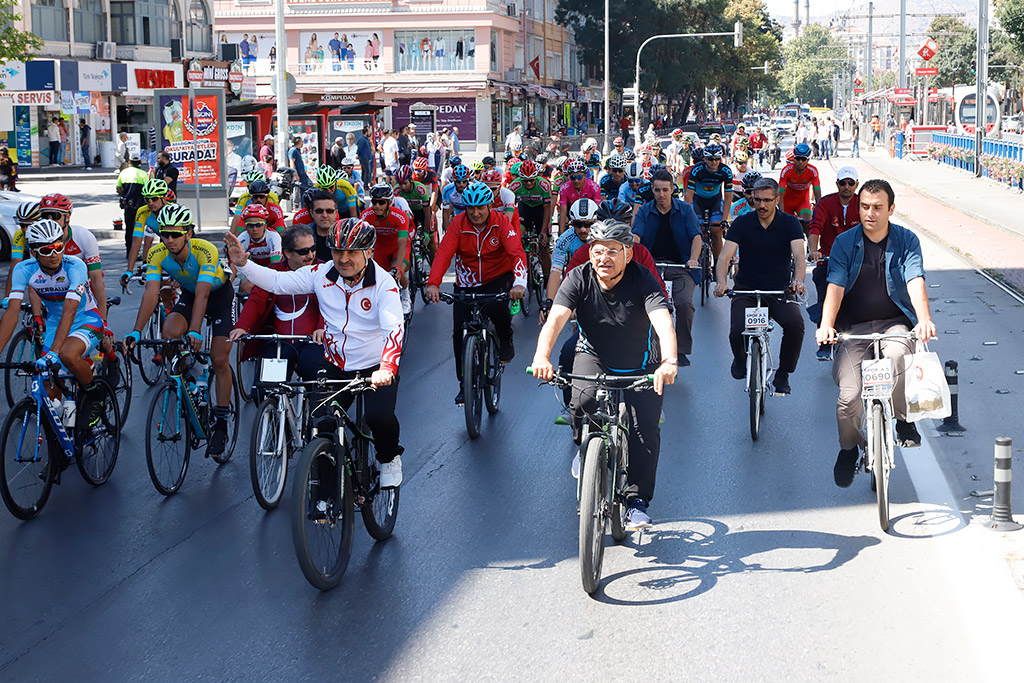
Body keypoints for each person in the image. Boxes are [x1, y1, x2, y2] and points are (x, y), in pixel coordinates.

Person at [225, 218, 405, 487]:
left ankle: (389, 457)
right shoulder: (321, 274)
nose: (343, 259)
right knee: (320, 426)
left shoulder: (383, 284)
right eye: (337, 251)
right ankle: (325, 495)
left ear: (368, 252)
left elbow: (394, 328)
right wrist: (244, 264)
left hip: (374, 366)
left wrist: (387, 367)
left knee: (377, 417)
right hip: (335, 365)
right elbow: (277, 281)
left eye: (352, 252)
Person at [531, 219, 677, 528]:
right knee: (581, 403)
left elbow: (663, 321)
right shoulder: (578, 277)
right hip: (594, 355)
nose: (603, 258)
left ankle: (636, 501)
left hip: (641, 363)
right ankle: (589, 449)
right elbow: (556, 320)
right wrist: (542, 356)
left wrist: (669, 361)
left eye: (612, 251)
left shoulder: (643, 279)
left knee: (644, 430)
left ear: (628, 253)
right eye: (597, 251)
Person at [815, 179, 936, 487]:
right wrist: (827, 325)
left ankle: (904, 420)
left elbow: (914, 281)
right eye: (865, 207)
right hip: (852, 329)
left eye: (878, 207)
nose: (870, 213)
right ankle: (848, 449)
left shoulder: (907, 241)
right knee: (849, 396)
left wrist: (923, 320)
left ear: (891, 209)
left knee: (898, 360)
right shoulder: (844, 242)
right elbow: (836, 286)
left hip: (894, 323)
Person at [122, 205, 234, 456]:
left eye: (175, 234)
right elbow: (151, 293)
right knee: (169, 333)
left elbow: (204, 294)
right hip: (192, 295)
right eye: (164, 234)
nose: (169, 239)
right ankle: (189, 385)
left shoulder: (206, 250)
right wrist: (136, 331)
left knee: (219, 358)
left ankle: (223, 424)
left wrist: (195, 331)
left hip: (219, 297)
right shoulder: (157, 252)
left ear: (189, 234)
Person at [425, 181, 527, 404]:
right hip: (467, 282)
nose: (475, 213)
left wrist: (519, 284)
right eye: (470, 208)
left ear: (490, 205)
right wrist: (433, 283)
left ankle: (505, 337)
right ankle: (464, 385)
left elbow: (517, 253)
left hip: (497, 277)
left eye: (480, 207)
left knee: (499, 308)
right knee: (457, 334)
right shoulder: (458, 223)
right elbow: (443, 253)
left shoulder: (501, 222)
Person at [0, 220, 107, 423]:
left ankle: (95, 396)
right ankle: (65, 433)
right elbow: (12, 314)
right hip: (56, 324)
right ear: (33, 252)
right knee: (49, 398)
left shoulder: (75, 266)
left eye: (58, 246)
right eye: (47, 250)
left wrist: (54, 352)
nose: (55, 254)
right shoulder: (24, 270)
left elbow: (70, 309)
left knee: (66, 355)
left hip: (85, 319)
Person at [714, 178, 806, 396]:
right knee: (737, 332)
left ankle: (783, 372)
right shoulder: (742, 223)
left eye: (767, 200)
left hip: (779, 290)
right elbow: (724, 257)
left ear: (777, 199)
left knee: (795, 325)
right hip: (746, 289)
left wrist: (799, 280)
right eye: (757, 200)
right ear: (752, 199)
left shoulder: (790, 224)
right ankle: (739, 359)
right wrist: (722, 282)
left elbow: (799, 257)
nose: (762, 205)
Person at [631, 169, 702, 367]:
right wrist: (632, 254)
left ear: (672, 189)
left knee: (684, 304)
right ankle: (641, 345)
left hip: (681, 267)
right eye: (657, 190)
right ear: (652, 191)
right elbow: (635, 236)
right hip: (650, 267)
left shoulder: (685, 210)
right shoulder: (645, 210)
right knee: (642, 305)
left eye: (665, 190)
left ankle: (681, 349)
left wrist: (693, 259)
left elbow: (696, 237)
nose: (661, 194)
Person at [808, 166, 860, 329]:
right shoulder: (825, 203)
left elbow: (872, 228)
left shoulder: (863, 204)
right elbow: (815, 227)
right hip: (828, 261)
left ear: (856, 185)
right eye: (843, 183)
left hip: (856, 261)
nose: (847, 186)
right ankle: (824, 339)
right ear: (837, 184)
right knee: (825, 297)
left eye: (850, 183)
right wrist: (813, 250)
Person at [360, 183, 412, 315]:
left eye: (381, 202)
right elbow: (362, 242)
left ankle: (406, 297)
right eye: (374, 202)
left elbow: (402, 244)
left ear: (389, 202)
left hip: (397, 246)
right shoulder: (366, 215)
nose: (377, 206)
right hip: (381, 247)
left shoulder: (399, 216)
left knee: (397, 273)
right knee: (378, 276)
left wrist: (398, 267)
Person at [684, 143, 733, 260]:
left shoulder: (726, 171)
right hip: (698, 201)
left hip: (715, 201)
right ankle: (697, 259)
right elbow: (688, 195)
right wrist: (686, 215)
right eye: (710, 159)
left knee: (716, 232)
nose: (714, 162)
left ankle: (718, 265)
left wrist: (725, 219)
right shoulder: (697, 170)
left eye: (717, 159)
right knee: (696, 231)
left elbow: (728, 197)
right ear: (705, 159)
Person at [124, 178, 175, 281]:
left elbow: (179, 243)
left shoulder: (172, 210)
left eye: (154, 198)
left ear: (163, 199)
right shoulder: (142, 212)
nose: (151, 203)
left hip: (179, 247)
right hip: (165, 246)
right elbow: (136, 243)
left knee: (169, 287)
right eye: (147, 199)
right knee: (153, 284)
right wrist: (129, 271)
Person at [507, 159, 553, 274]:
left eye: (532, 180)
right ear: (520, 178)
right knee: (518, 235)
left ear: (536, 177)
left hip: (540, 210)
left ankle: (547, 280)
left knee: (544, 246)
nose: (529, 183)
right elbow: (510, 209)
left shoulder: (544, 184)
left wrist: (543, 232)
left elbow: (547, 209)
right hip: (525, 209)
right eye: (525, 181)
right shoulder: (515, 185)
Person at [778, 142, 821, 234]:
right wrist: (781, 213)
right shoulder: (786, 171)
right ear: (794, 159)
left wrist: (819, 209)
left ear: (807, 160)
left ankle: (810, 246)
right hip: (787, 201)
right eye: (797, 158)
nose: (800, 162)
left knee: (807, 222)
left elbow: (817, 191)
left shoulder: (813, 171)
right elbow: (780, 193)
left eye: (803, 159)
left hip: (802, 201)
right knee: (785, 226)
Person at [557, 157, 601, 236]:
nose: (576, 180)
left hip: (589, 214)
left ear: (585, 175)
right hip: (571, 213)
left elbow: (597, 212)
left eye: (579, 177)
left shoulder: (594, 187)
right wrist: (561, 234)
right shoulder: (564, 188)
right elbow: (563, 213)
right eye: (573, 177)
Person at [117, 154, 149, 258]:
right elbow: (147, 190)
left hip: (127, 205)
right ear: (140, 163)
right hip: (139, 205)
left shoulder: (124, 173)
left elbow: (118, 188)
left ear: (130, 162)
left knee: (129, 228)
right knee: (138, 229)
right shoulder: (143, 174)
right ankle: (137, 253)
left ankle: (129, 252)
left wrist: (124, 195)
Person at [441, 163, 471, 232]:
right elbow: (445, 213)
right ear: (453, 180)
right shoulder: (447, 190)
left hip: (470, 215)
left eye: (464, 181)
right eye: (458, 182)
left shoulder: (473, 189)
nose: (461, 184)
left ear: (468, 180)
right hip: (456, 214)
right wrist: (447, 231)